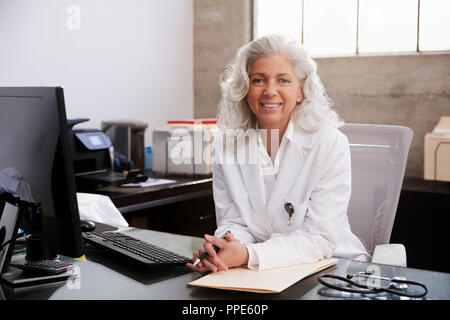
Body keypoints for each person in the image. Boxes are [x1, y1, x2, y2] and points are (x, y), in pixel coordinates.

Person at [186, 34, 370, 273]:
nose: (270, 91)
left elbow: (319, 239)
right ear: (244, 88)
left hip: (332, 266)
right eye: (258, 80)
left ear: (301, 90)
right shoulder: (226, 143)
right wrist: (225, 249)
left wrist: (248, 254)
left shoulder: (329, 143)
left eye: (283, 80)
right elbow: (232, 220)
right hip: (264, 270)